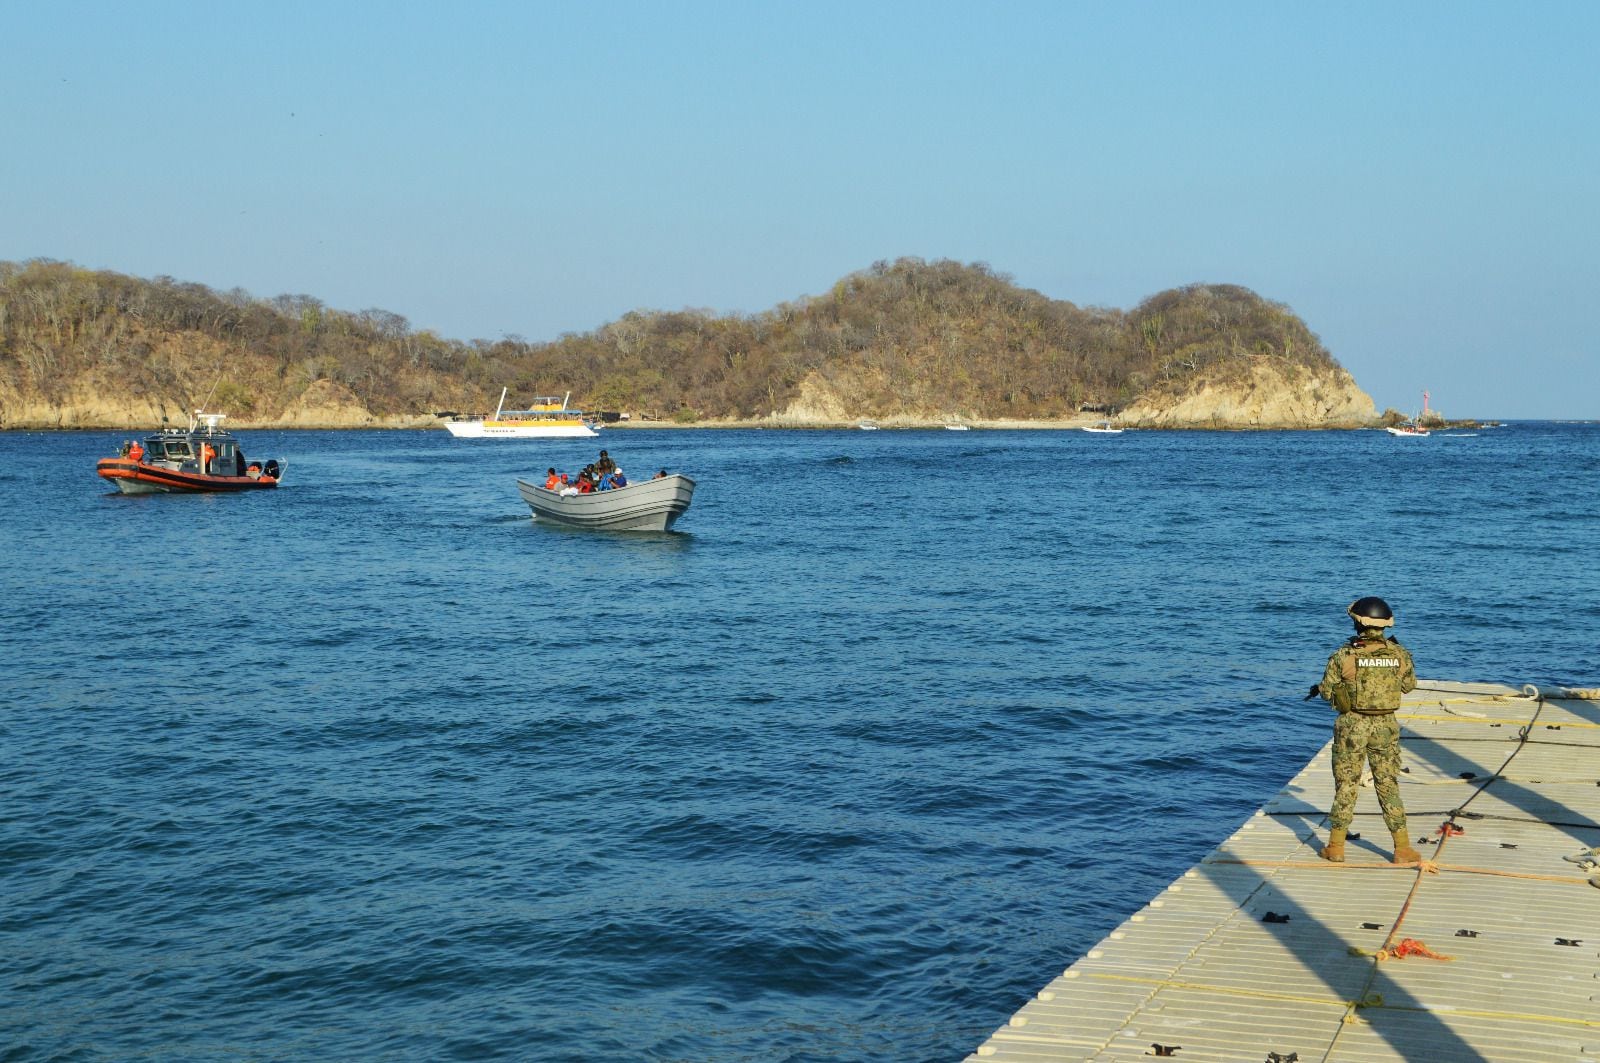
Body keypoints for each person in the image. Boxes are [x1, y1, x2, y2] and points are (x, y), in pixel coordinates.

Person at [1310, 597, 1420, 864]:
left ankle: (1336, 847)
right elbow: (1408, 686)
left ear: (1357, 622)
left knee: (1347, 784)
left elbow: (1326, 691)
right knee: (1387, 783)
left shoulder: (1344, 656)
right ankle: (1403, 849)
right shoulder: (1399, 654)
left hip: (1352, 726)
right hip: (1385, 726)